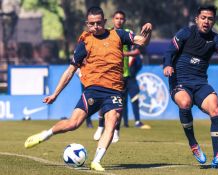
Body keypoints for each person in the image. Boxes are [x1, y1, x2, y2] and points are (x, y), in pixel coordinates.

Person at [24, 6, 152, 171]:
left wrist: (148, 30)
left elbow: (142, 41)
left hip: (114, 90)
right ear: (87, 24)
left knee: (111, 122)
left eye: (99, 23)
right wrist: (55, 94)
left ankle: (97, 160)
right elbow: (70, 70)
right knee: (73, 123)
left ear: (105, 22)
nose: (95, 27)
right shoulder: (85, 42)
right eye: (92, 24)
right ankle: (46, 134)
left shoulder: (118, 34)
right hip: (93, 89)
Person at [163, 5, 218, 168]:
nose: (206, 21)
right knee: (185, 102)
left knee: (216, 108)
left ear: (213, 21)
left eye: (210, 19)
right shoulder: (185, 33)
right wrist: (167, 65)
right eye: (203, 18)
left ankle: (217, 156)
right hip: (179, 81)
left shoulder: (215, 39)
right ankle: (193, 144)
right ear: (197, 19)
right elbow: (169, 52)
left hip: (200, 83)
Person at [93, 10, 150, 142]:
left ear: (124, 20)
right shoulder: (106, 32)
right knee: (102, 101)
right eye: (117, 18)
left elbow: (138, 49)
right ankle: (100, 126)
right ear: (113, 19)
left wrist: (123, 55)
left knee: (119, 105)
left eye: (121, 18)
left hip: (123, 74)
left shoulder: (128, 33)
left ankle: (116, 130)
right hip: (107, 73)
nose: (119, 20)